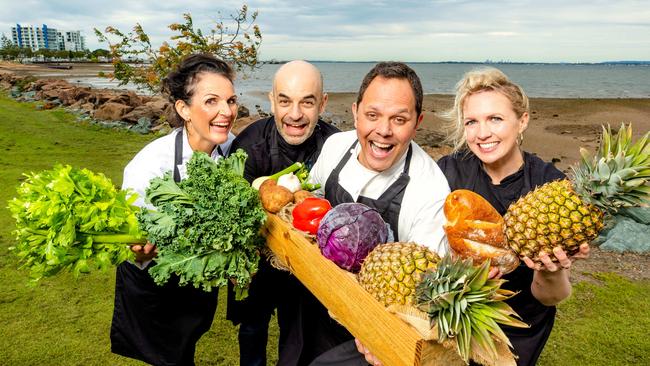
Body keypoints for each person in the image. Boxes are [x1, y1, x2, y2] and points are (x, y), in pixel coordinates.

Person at [296, 61, 450, 365]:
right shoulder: (335, 147)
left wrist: (383, 337)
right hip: (316, 297)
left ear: (418, 122)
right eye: (372, 115)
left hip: (370, 327)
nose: (383, 131)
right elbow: (308, 206)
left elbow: (420, 300)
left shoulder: (430, 191)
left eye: (399, 119)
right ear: (355, 112)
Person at [436, 67, 590, 366]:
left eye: (495, 118)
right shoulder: (449, 172)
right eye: (471, 122)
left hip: (521, 325)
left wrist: (551, 270)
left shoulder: (550, 185)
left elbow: (550, 297)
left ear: (522, 121)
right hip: (455, 315)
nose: (482, 134)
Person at [110, 53, 238, 366]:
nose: (227, 111)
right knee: (165, 356)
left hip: (197, 281)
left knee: (188, 343)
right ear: (184, 109)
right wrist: (139, 250)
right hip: (154, 285)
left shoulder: (233, 147)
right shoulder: (151, 165)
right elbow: (132, 241)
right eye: (211, 101)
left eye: (231, 100)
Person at [226, 60, 340, 366]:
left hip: (306, 268)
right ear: (271, 100)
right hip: (256, 262)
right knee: (252, 329)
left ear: (323, 103)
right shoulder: (248, 145)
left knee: (299, 336)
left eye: (307, 102)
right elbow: (230, 214)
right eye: (285, 101)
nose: (295, 114)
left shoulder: (338, 146)